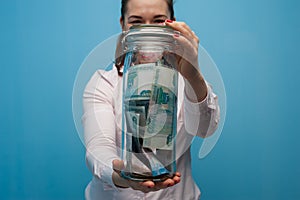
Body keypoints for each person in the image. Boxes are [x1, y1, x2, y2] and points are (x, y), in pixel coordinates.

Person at [82, 0, 220, 199]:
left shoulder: (185, 79)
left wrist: (193, 74)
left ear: (172, 23)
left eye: (158, 21)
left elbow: (205, 129)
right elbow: (98, 148)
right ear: (123, 24)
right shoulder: (103, 83)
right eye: (136, 22)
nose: (148, 31)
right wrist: (120, 175)